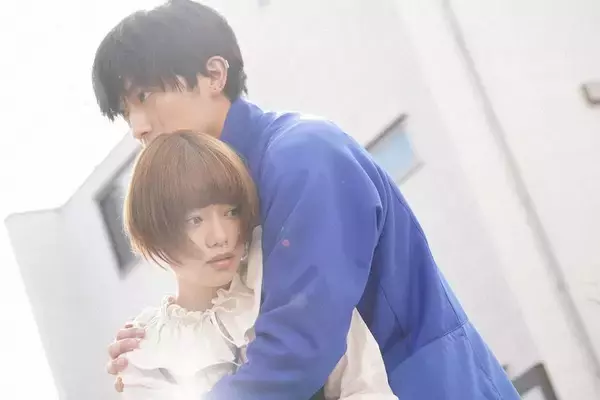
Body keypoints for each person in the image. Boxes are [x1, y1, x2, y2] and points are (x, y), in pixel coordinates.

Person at [92, 1, 520, 398]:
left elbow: (298, 344)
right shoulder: (230, 183)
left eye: (143, 97)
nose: (138, 127)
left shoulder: (302, 157)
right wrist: (159, 345)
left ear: (215, 75)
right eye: (126, 112)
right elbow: (243, 328)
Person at [117, 130, 397, 400]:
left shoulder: (291, 277)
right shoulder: (146, 351)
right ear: (154, 231)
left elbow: (368, 387)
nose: (220, 236)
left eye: (230, 212)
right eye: (195, 220)